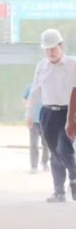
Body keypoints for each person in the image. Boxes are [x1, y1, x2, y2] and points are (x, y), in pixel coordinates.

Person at [27, 28, 76, 202]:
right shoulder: (41, 66)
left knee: (64, 147)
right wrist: (29, 113)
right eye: (47, 49)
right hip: (47, 114)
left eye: (53, 48)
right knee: (54, 153)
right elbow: (35, 90)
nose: (50, 52)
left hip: (68, 112)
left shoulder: (72, 65)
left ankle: (74, 178)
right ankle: (59, 191)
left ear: (61, 46)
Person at [22, 82, 49, 173]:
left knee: (46, 143)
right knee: (34, 143)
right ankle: (34, 165)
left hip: (46, 120)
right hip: (33, 120)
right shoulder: (30, 87)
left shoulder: (48, 86)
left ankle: (44, 162)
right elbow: (23, 99)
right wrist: (30, 105)